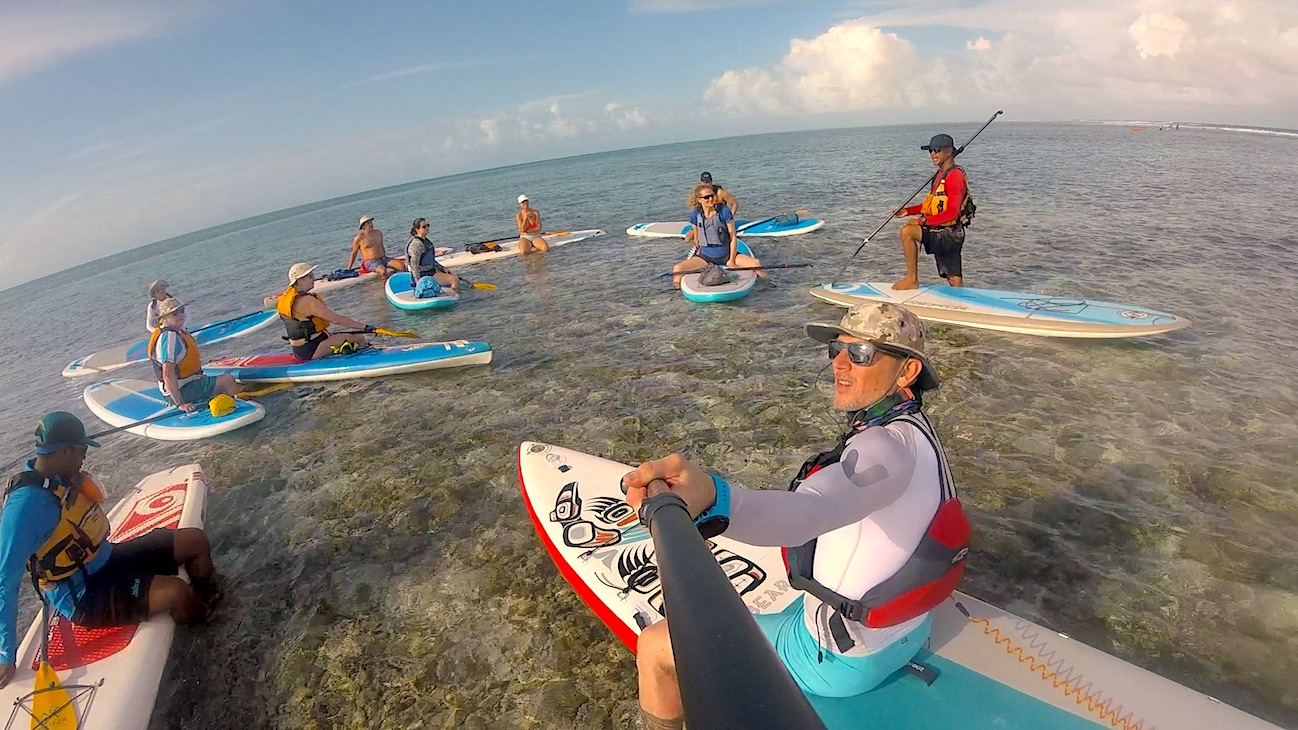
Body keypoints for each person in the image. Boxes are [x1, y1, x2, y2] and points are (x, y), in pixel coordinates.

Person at [623, 302, 970, 730]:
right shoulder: (917, 432)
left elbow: (811, 510)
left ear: (908, 372)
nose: (840, 364)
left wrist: (715, 497)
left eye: (861, 353)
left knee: (656, 644)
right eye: (836, 351)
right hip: (909, 632)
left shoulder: (885, 449)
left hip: (839, 661)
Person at [0, 412, 223, 690]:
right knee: (177, 593)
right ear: (64, 450)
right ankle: (211, 639)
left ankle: (214, 596)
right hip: (84, 597)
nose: (85, 458)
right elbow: (4, 582)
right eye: (82, 451)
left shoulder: (62, 476)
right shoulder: (23, 508)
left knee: (195, 541)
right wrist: (5, 654)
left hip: (109, 559)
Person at [892, 133, 973, 290]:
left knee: (908, 232)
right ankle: (964, 301)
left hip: (948, 234)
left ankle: (911, 280)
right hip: (947, 231)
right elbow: (933, 204)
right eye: (930, 151)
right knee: (953, 279)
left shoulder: (954, 176)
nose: (932, 154)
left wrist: (922, 221)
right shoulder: (940, 174)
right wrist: (908, 211)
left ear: (949, 151)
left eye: (937, 150)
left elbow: (952, 213)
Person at [149, 298, 241, 412]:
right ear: (165, 318)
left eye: (181, 310)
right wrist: (180, 404)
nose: (180, 314)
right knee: (227, 380)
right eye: (174, 313)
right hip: (180, 391)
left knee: (221, 385)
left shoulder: (176, 332)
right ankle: (241, 408)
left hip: (188, 383)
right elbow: (167, 374)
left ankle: (227, 402)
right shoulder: (169, 338)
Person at [275, 263, 376, 360]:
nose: (314, 279)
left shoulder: (286, 298)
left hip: (301, 349)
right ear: (300, 280)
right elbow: (337, 320)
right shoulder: (307, 301)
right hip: (311, 349)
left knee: (346, 336)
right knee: (359, 338)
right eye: (310, 277)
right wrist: (365, 327)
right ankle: (364, 361)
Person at [672, 184, 765, 288]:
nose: (710, 199)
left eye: (712, 195)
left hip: (726, 255)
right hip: (705, 258)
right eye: (706, 197)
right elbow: (697, 236)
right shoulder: (696, 215)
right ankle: (677, 295)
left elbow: (733, 238)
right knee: (678, 269)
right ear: (699, 200)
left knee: (756, 264)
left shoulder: (724, 212)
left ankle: (767, 286)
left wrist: (732, 260)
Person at [406, 218, 458, 294]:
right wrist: (418, 282)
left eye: (428, 225)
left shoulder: (426, 241)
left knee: (452, 274)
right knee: (454, 280)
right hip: (423, 275)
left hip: (431, 271)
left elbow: (431, 260)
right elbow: (414, 266)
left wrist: (442, 268)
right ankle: (457, 298)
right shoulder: (417, 244)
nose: (427, 228)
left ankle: (450, 293)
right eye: (424, 226)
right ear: (417, 229)